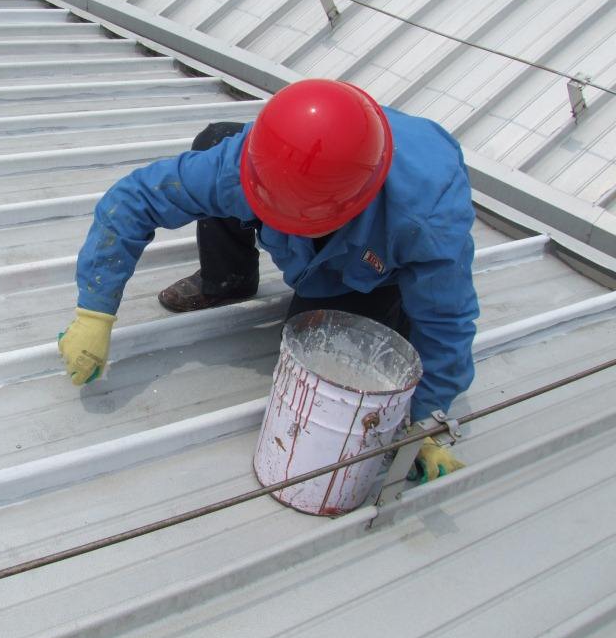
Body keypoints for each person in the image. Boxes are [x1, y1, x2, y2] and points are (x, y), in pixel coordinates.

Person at [58, 79, 478, 481]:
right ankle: (228, 279)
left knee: (324, 354)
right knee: (213, 138)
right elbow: (136, 199)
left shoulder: (426, 216)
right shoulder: (250, 163)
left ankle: (379, 307)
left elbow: (446, 320)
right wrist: (94, 310)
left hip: (369, 271)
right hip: (302, 171)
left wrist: (426, 416)